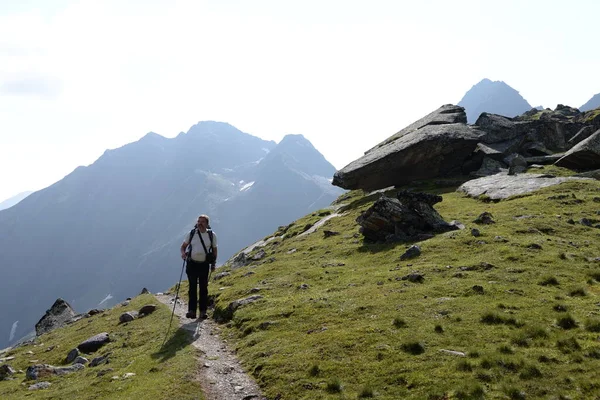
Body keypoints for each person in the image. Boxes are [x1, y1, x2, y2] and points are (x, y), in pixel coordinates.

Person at [180, 214, 218, 319]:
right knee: (192, 288)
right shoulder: (192, 233)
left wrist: (213, 264)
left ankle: (202, 311)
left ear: (207, 224)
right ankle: (192, 311)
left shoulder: (211, 235)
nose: (200, 223)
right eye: (199, 221)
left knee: (203, 288)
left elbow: (214, 250)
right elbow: (183, 246)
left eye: (202, 222)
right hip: (192, 264)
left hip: (204, 265)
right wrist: (183, 254)